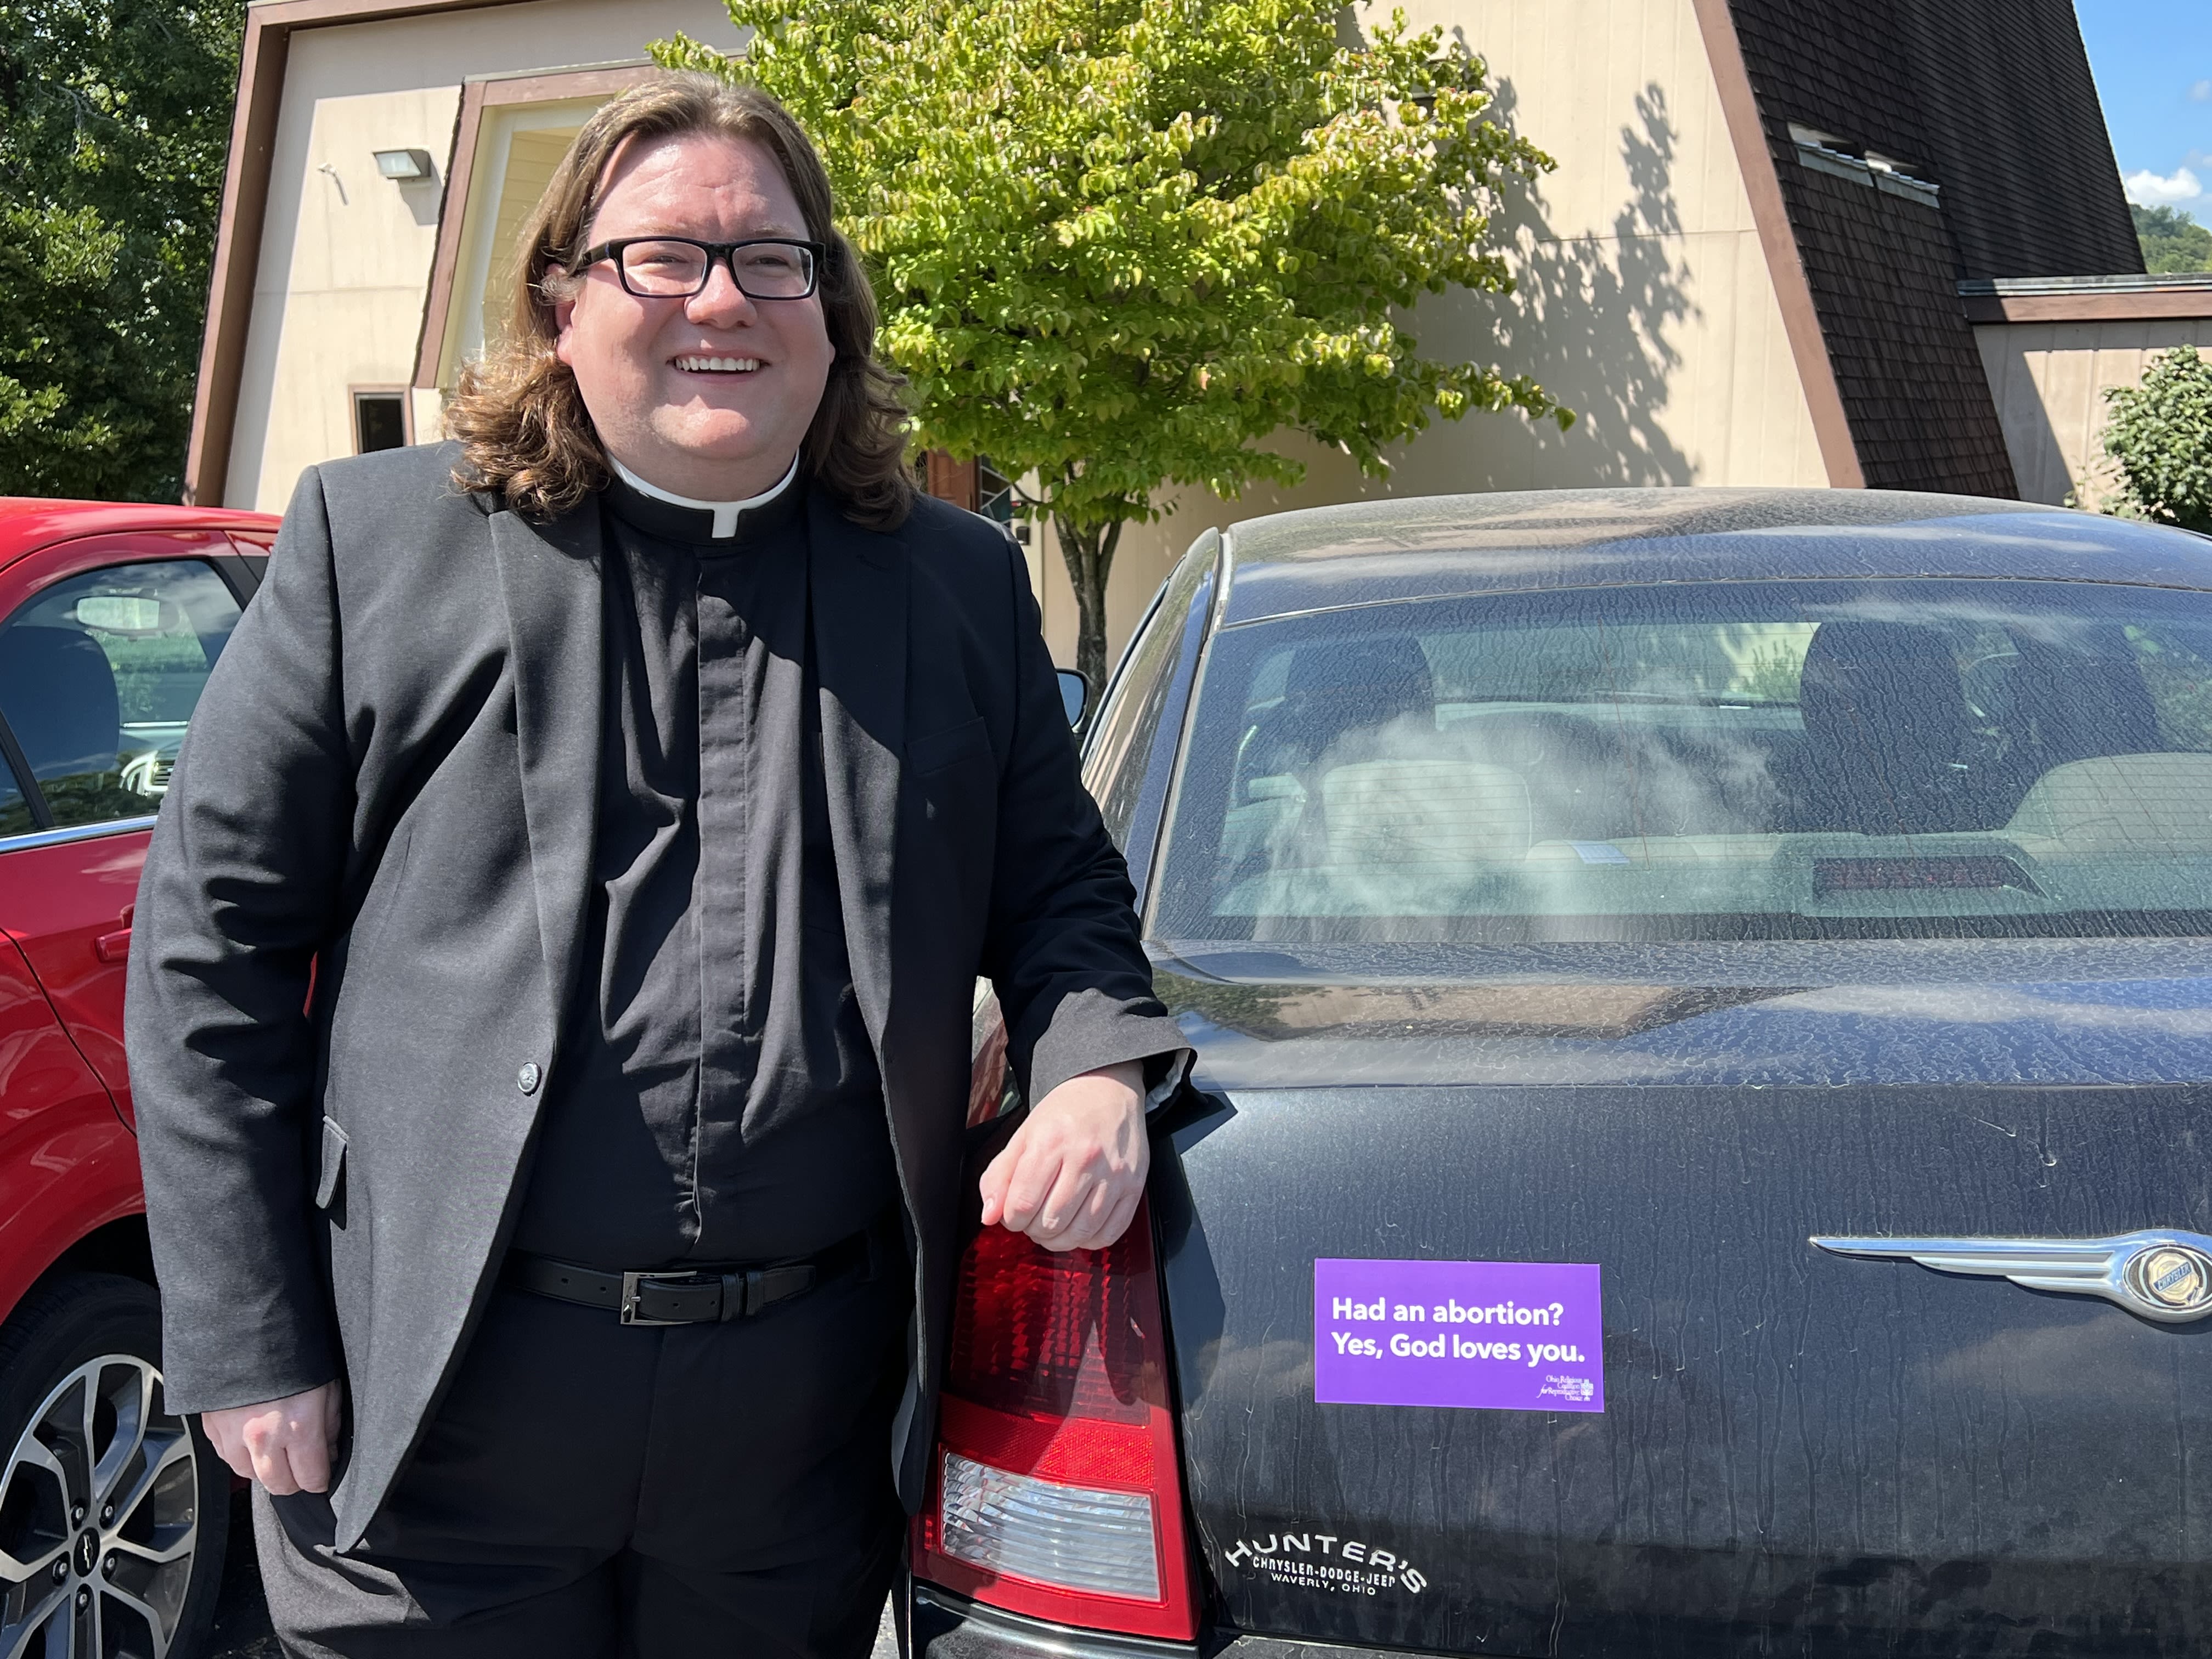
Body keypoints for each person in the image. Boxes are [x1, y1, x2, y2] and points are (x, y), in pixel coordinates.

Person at [125, 72, 1187, 1658]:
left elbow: (1062, 902)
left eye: (774, 260)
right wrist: (246, 1334)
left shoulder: (954, 586)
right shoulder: (377, 544)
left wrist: (1095, 1073)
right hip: (433, 1420)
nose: (723, 301)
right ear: (563, 305)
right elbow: (207, 952)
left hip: (797, 1448)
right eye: (661, 259)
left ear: (830, 313)